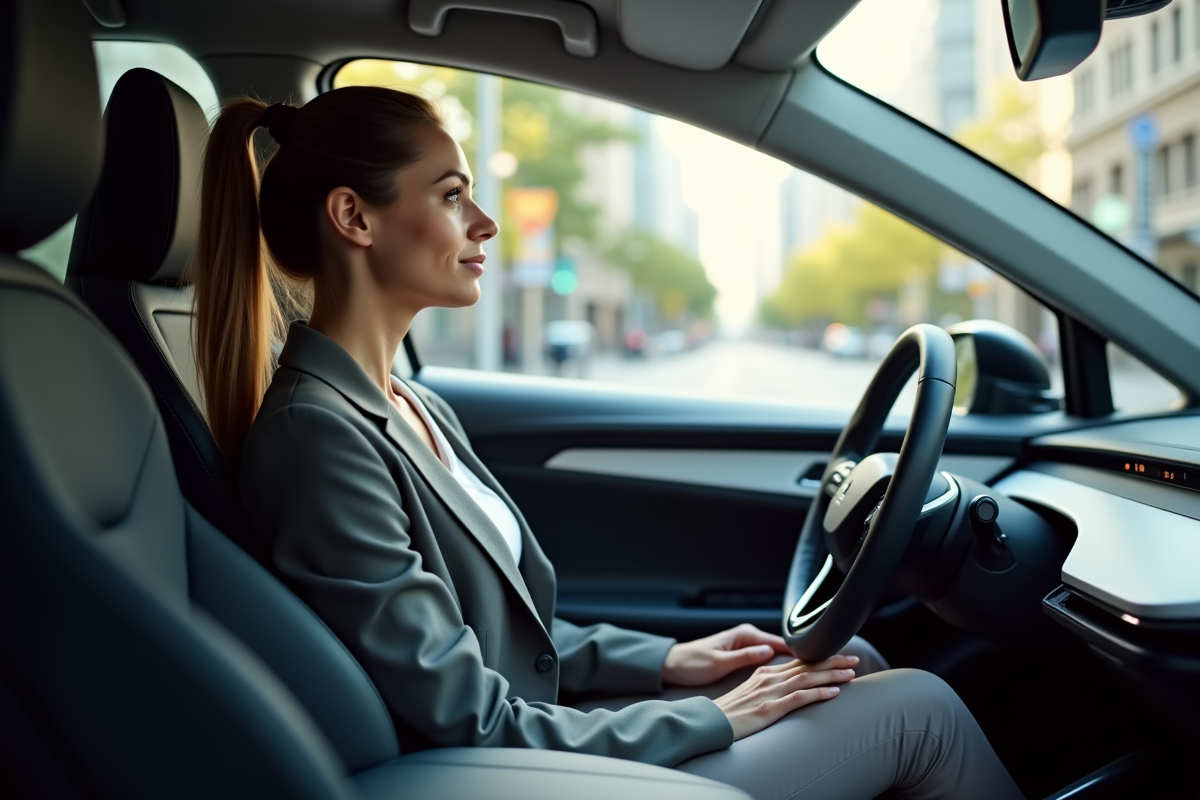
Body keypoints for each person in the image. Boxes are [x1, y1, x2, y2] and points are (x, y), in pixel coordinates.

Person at [192, 86, 1024, 800]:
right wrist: (713, 717)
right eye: (451, 196)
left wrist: (672, 661)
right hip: (498, 772)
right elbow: (465, 712)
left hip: (533, 733)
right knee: (921, 713)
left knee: (858, 659)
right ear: (353, 217)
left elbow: (507, 635)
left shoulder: (411, 403)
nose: (485, 223)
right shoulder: (316, 436)